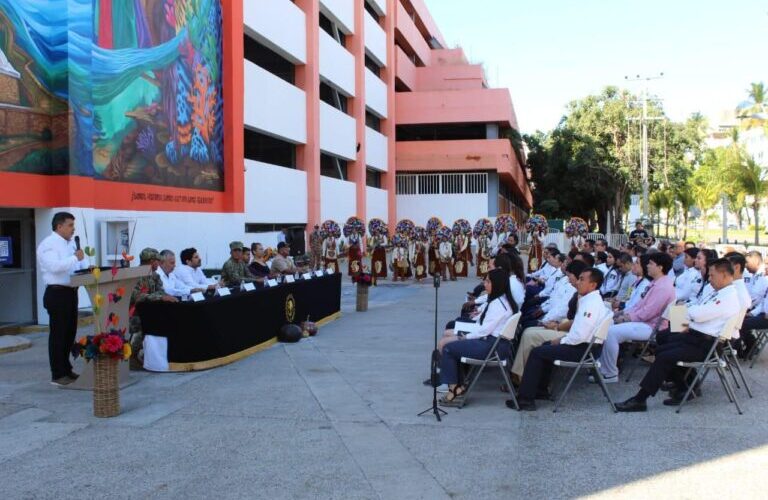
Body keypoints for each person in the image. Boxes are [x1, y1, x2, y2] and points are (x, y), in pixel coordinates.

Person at [616, 259, 740, 411]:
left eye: (712, 275)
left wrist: (687, 314)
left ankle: (641, 399)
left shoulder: (728, 298)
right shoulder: (719, 293)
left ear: (725, 275)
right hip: (697, 337)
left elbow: (699, 314)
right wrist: (689, 314)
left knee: (665, 355)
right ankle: (685, 388)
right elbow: (696, 308)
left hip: (707, 345)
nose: (709, 278)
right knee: (662, 347)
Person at [508, 268, 610, 411]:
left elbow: (580, 335)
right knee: (545, 346)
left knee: (537, 352)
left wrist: (561, 340)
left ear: (593, 285)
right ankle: (540, 390)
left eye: (582, 280)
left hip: (583, 349)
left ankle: (525, 400)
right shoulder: (589, 299)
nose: (578, 282)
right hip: (582, 344)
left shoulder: (592, 304)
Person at [438, 268, 517, 406]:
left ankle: (454, 389)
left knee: (448, 348)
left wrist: (462, 337)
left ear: (496, 283)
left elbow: (483, 332)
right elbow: (483, 328)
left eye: (487, 281)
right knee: (450, 341)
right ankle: (457, 385)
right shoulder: (500, 300)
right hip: (493, 343)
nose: (484, 284)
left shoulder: (498, 305)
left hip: (492, 347)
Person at [597, 252, 676, 382]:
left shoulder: (663, 287)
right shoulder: (656, 283)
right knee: (607, 324)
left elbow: (648, 312)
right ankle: (602, 365)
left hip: (652, 327)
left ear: (660, 267)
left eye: (651, 264)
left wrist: (627, 318)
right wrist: (622, 314)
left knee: (611, 332)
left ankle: (610, 372)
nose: (648, 266)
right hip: (644, 322)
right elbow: (639, 306)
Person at [37, 211, 90, 386]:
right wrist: (75, 257)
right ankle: (58, 374)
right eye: (70, 225)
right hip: (57, 293)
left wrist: (83, 262)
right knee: (58, 335)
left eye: (73, 226)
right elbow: (55, 267)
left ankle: (66, 369)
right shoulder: (49, 245)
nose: (73, 229)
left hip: (70, 292)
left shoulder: (69, 245)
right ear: (59, 226)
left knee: (69, 334)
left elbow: (76, 266)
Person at [511, 260, 585, 381]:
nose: (568, 278)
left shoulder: (583, 294)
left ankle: (522, 377)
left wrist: (555, 326)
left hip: (568, 332)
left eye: (570, 275)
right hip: (560, 323)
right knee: (527, 330)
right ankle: (519, 374)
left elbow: (569, 316)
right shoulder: (570, 286)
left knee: (528, 333)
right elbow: (554, 301)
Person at [129, 248, 178, 369]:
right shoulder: (135, 275)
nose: (159, 264)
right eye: (157, 261)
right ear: (151, 261)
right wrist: (160, 298)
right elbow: (137, 296)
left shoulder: (155, 275)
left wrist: (163, 297)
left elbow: (161, 292)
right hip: (134, 312)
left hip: (150, 311)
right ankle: (131, 357)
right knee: (139, 330)